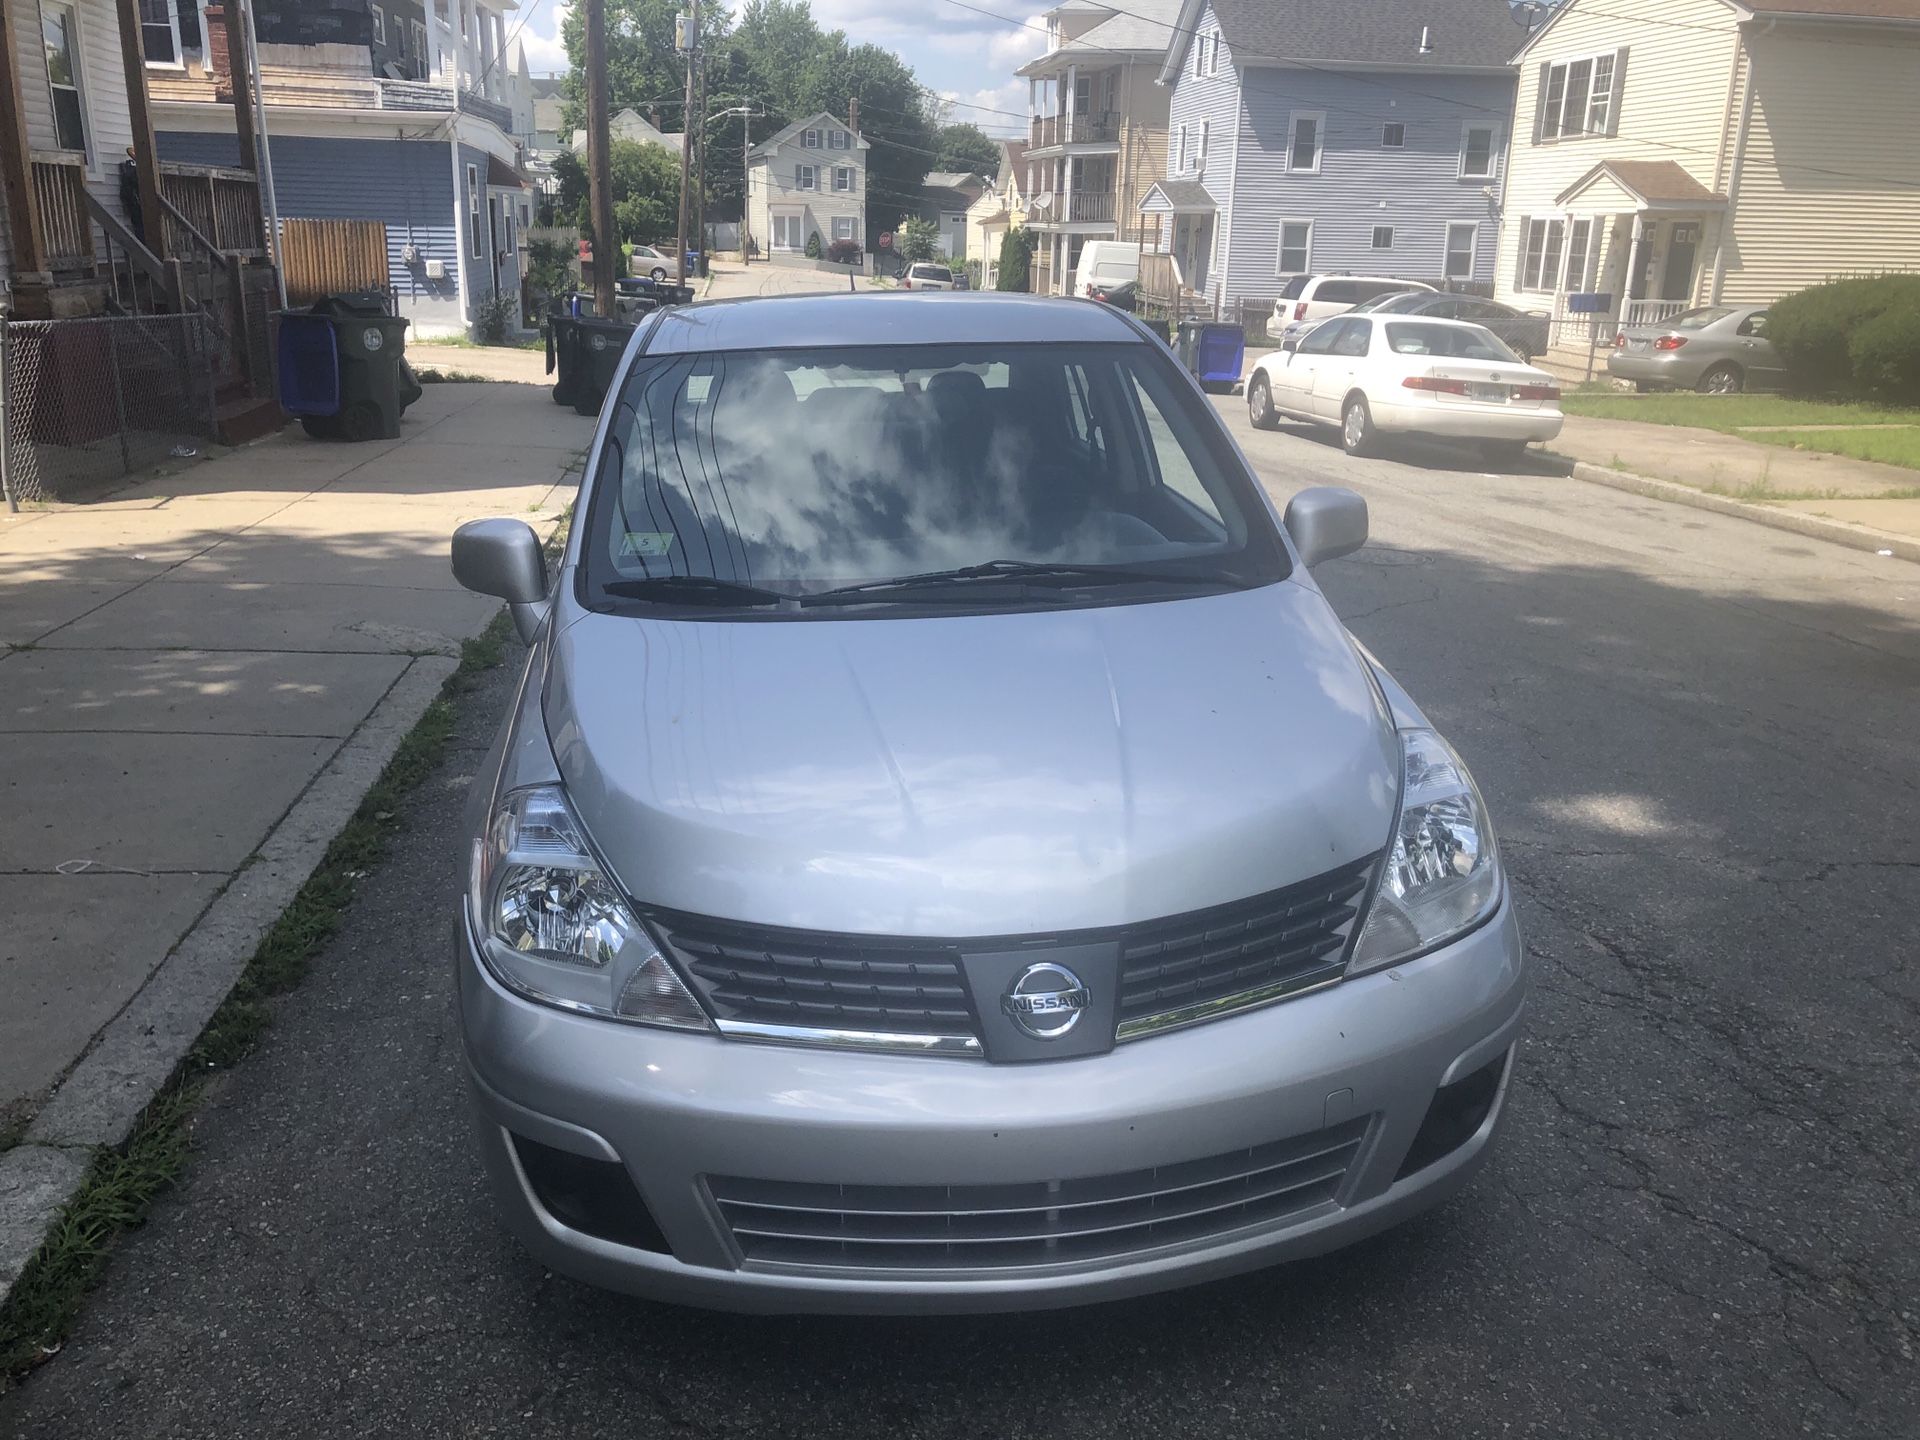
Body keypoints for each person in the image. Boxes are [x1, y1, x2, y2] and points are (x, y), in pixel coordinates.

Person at [117, 147, 145, 246]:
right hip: (136, 206)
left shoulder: (134, 173)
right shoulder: (132, 174)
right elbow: (129, 149)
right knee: (140, 229)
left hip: (139, 205)